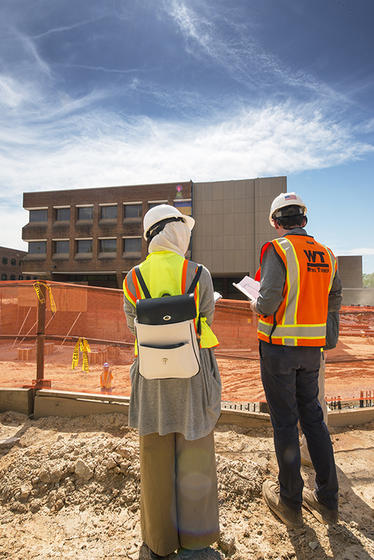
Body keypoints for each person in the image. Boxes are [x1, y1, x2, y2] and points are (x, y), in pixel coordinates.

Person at [123, 204, 222, 560]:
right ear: (174, 232)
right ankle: (196, 545)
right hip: (193, 379)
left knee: (154, 462)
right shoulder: (200, 274)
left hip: (151, 382)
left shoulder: (132, 279)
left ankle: (160, 544)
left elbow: (133, 328)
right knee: (195, 459)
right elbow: (207, 322)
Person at [250, 192, 342, 528]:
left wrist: (256, 305)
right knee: (314, 421)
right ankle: (328, 501)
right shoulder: (328, 255)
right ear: (303, 219)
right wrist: (327, 335)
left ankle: (290, 502)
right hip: (311, 350)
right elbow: (335, 295)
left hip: (279, 350)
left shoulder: (277, 249)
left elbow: (269, 300)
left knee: (286, 424)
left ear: (276, 222)